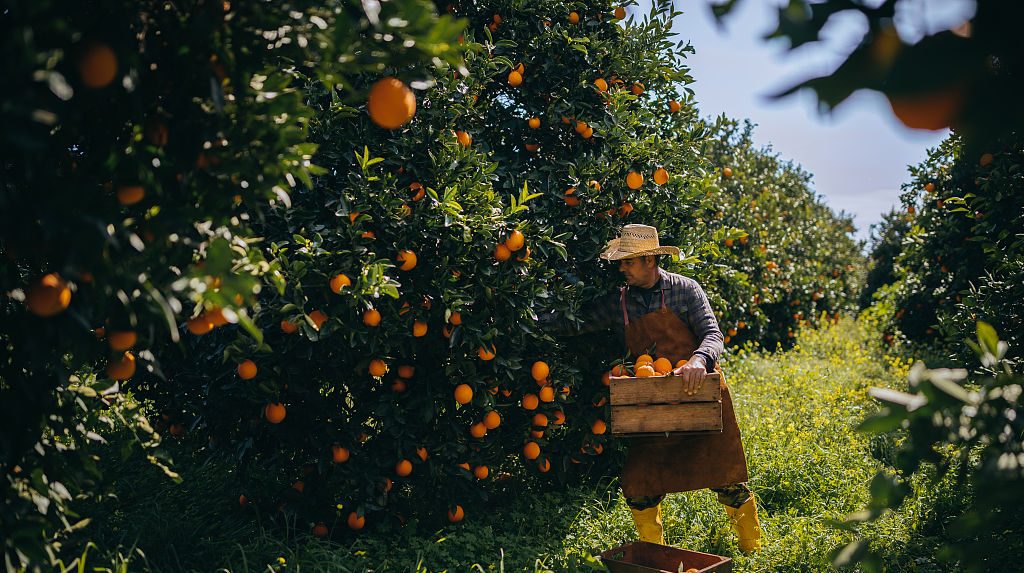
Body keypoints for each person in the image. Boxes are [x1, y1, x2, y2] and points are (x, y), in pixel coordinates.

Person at [541, 224, 762, 553]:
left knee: (726, 476)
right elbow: (573, 323)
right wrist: (522, 320)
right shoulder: (618, 303)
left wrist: (699, 361)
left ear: (648, 260)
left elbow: (713, 335)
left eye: (627, 262)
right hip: (650, 407)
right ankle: (655, 556)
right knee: (639, 485)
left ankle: (752, 551)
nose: (622, 268)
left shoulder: (686, 290)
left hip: (697, 396)